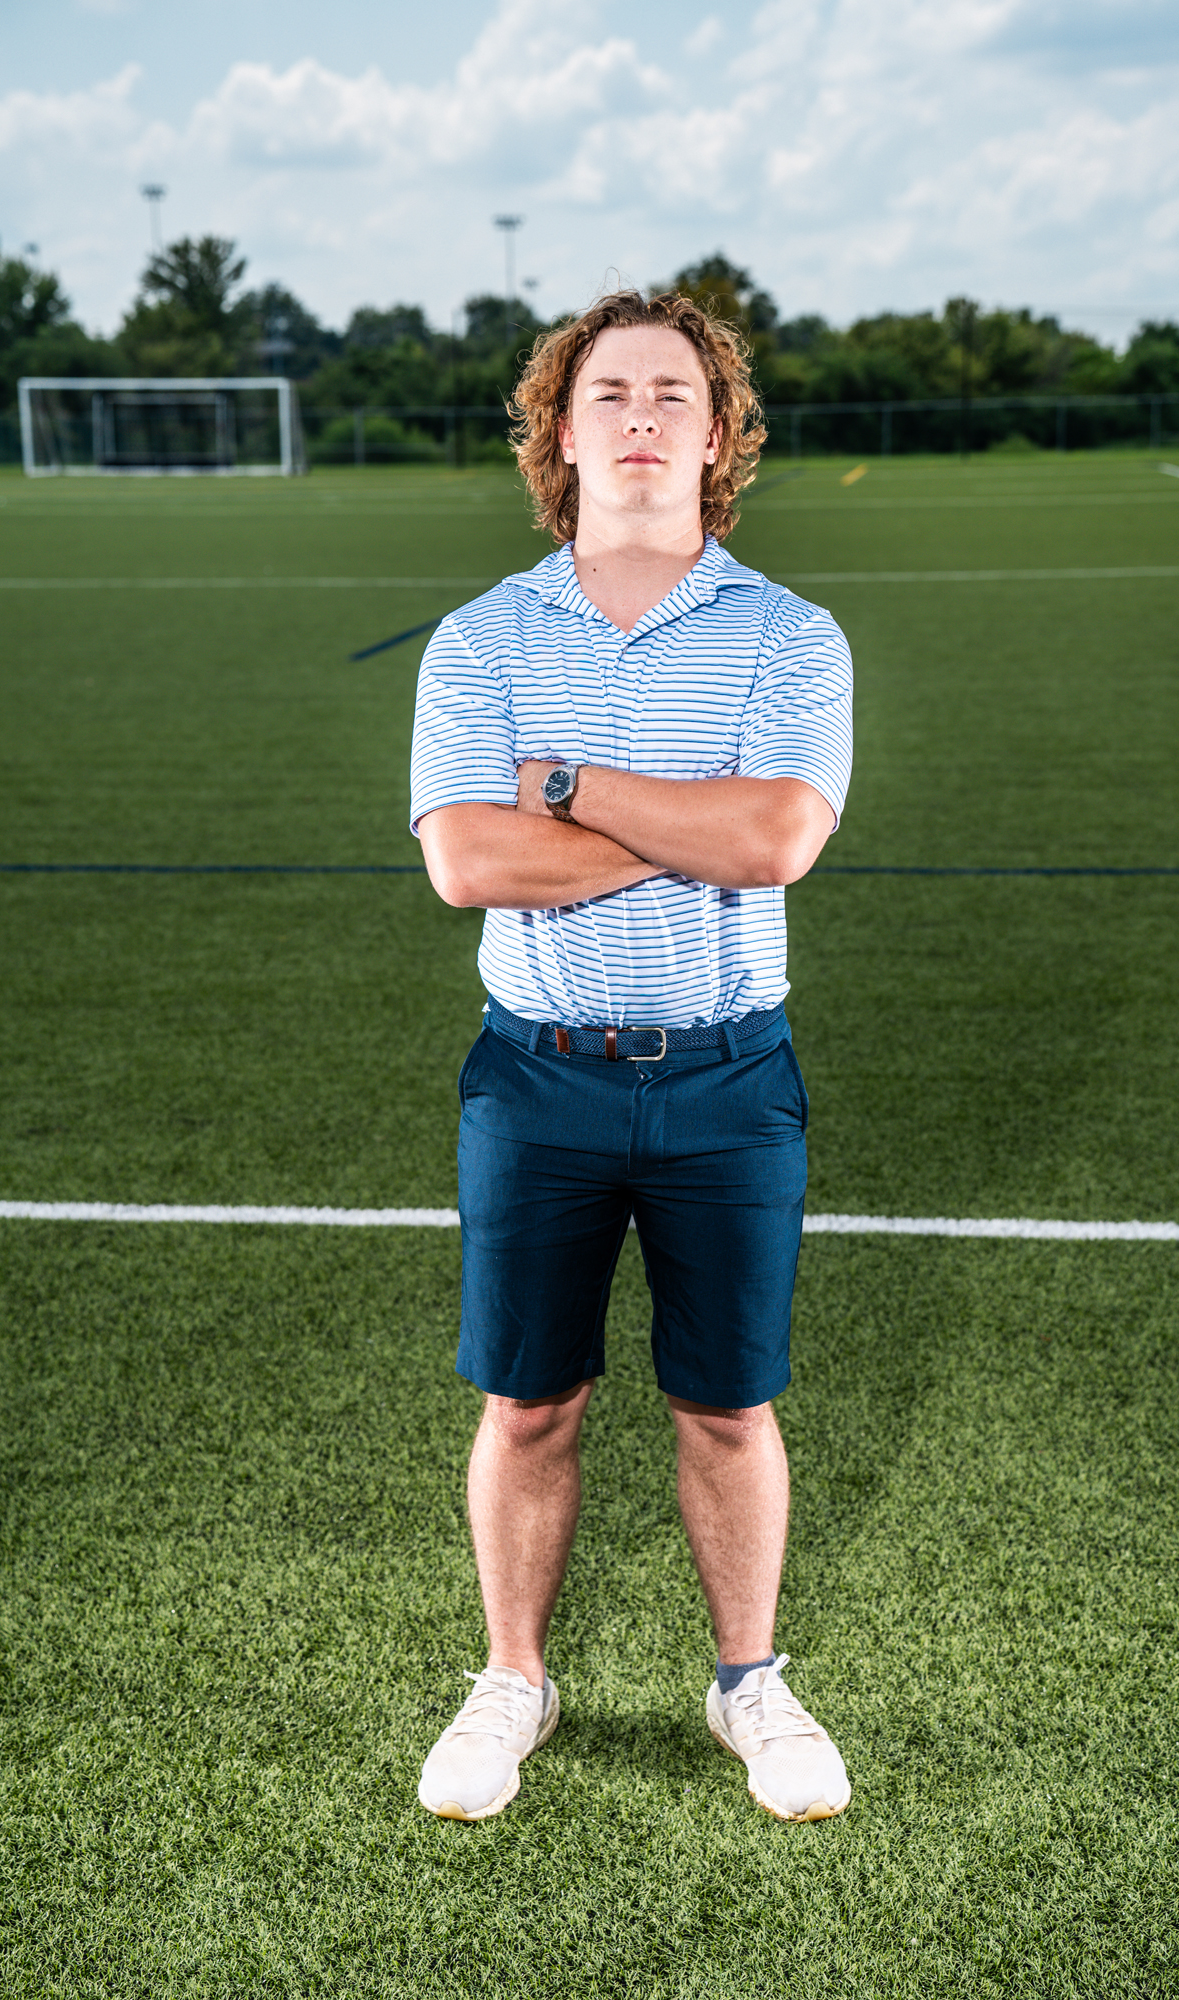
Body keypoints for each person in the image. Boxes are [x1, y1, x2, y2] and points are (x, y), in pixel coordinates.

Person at [409, 286, 854, 1824]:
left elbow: (777, 837)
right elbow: (468, 862)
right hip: (535, 1079)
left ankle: (749, 1684)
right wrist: (688, 822)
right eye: (610, 393)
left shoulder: (790, 635)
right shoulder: (478, 640)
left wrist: (571, 787)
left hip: (730, 1077)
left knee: (726, 1404)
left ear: (719, 436)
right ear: (561, 430)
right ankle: (511, 1681)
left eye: (675, 394)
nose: (643, 417)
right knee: (529, 1402)